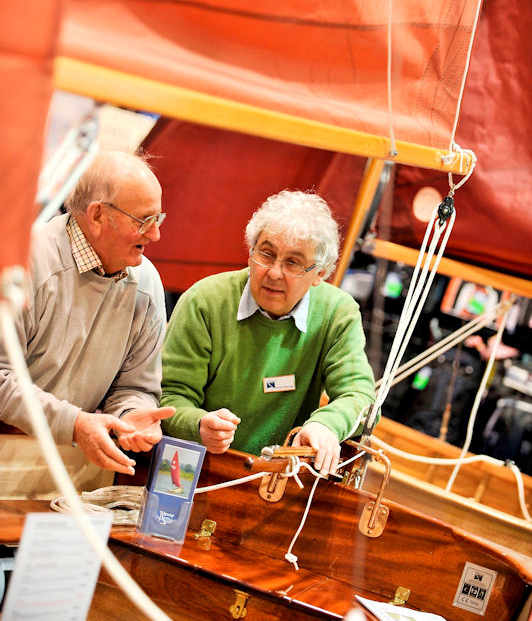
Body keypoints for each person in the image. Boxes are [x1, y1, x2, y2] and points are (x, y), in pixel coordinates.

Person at [160, 190, 376, 475]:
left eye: (293, 263)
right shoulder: (205, 300)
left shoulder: (337, 313)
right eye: (266, 254)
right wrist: (198, 424)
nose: (274, 272)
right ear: (250, 251)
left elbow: (361, 398)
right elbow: (169, 395)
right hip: (194, 468)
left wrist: (325, 425)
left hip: (278, 481)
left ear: (320, 274)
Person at [0, 149, 174, 476]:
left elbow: (135, 387)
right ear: (97, 216)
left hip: (79, 469)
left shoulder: (147, 283)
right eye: (145, 220)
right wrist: (75, 423)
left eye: (158, 218)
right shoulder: (23, 261)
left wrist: (131, 415)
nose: (156, 234)